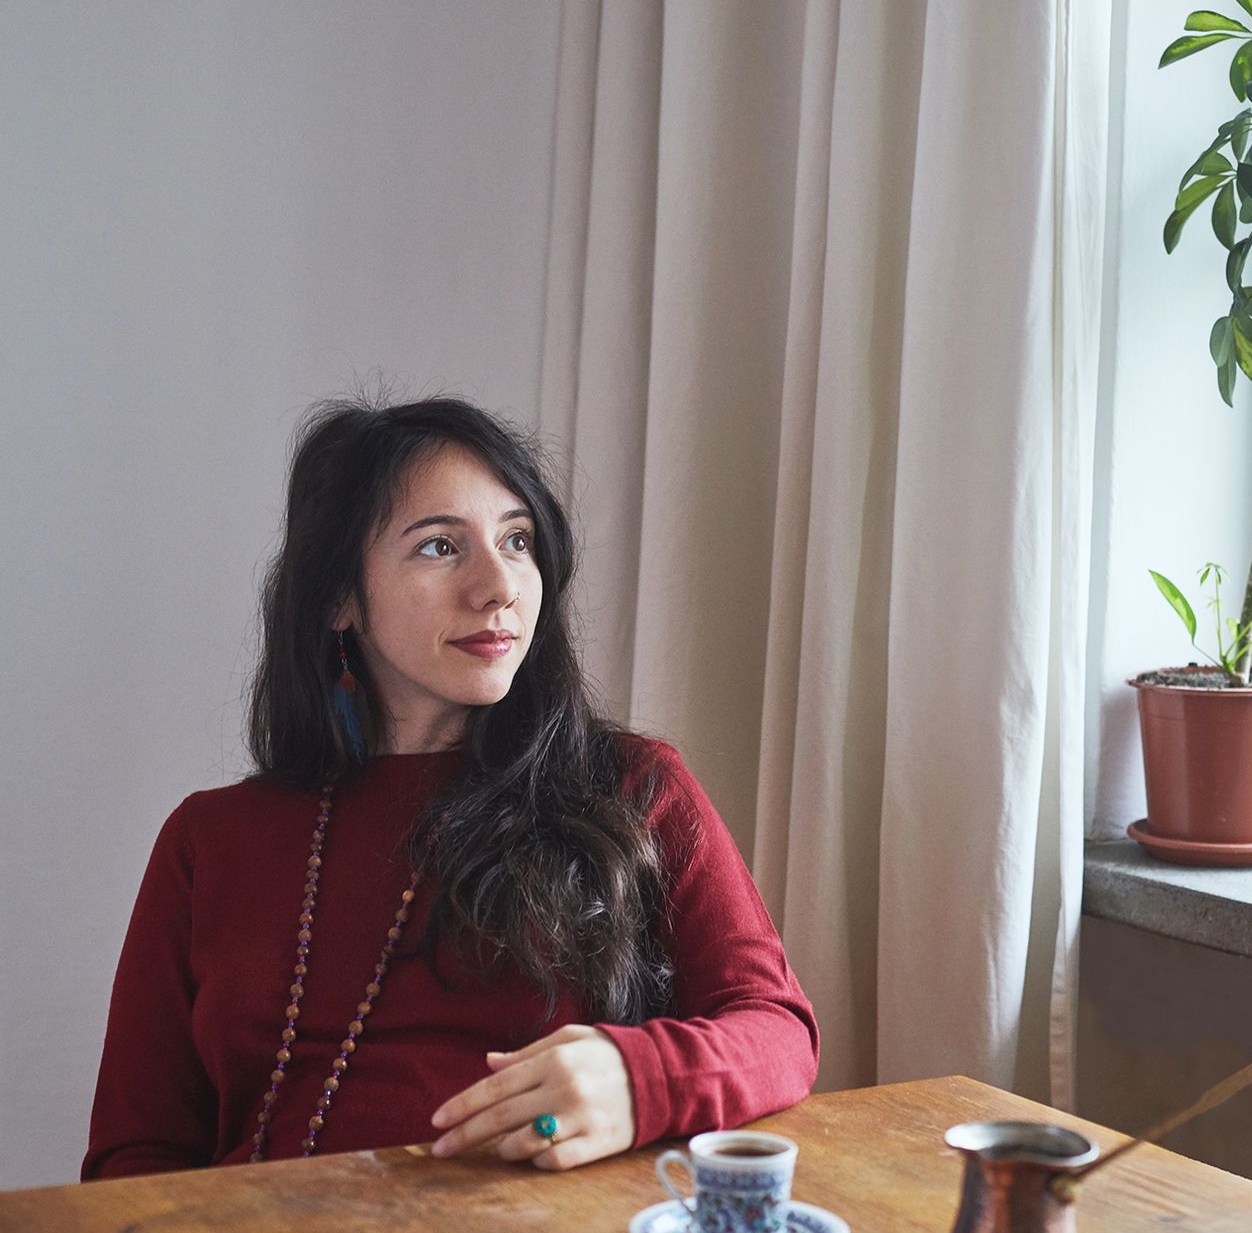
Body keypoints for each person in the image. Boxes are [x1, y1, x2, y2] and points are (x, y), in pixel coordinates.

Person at [82, 396, 818, 1178]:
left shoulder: (633, 786)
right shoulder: (210, 840)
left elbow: (777, 1031)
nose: (499, 586)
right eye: (440, 546)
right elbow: (136, 1157)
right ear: (338, 599)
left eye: (518, 541)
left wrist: (640, 1079)